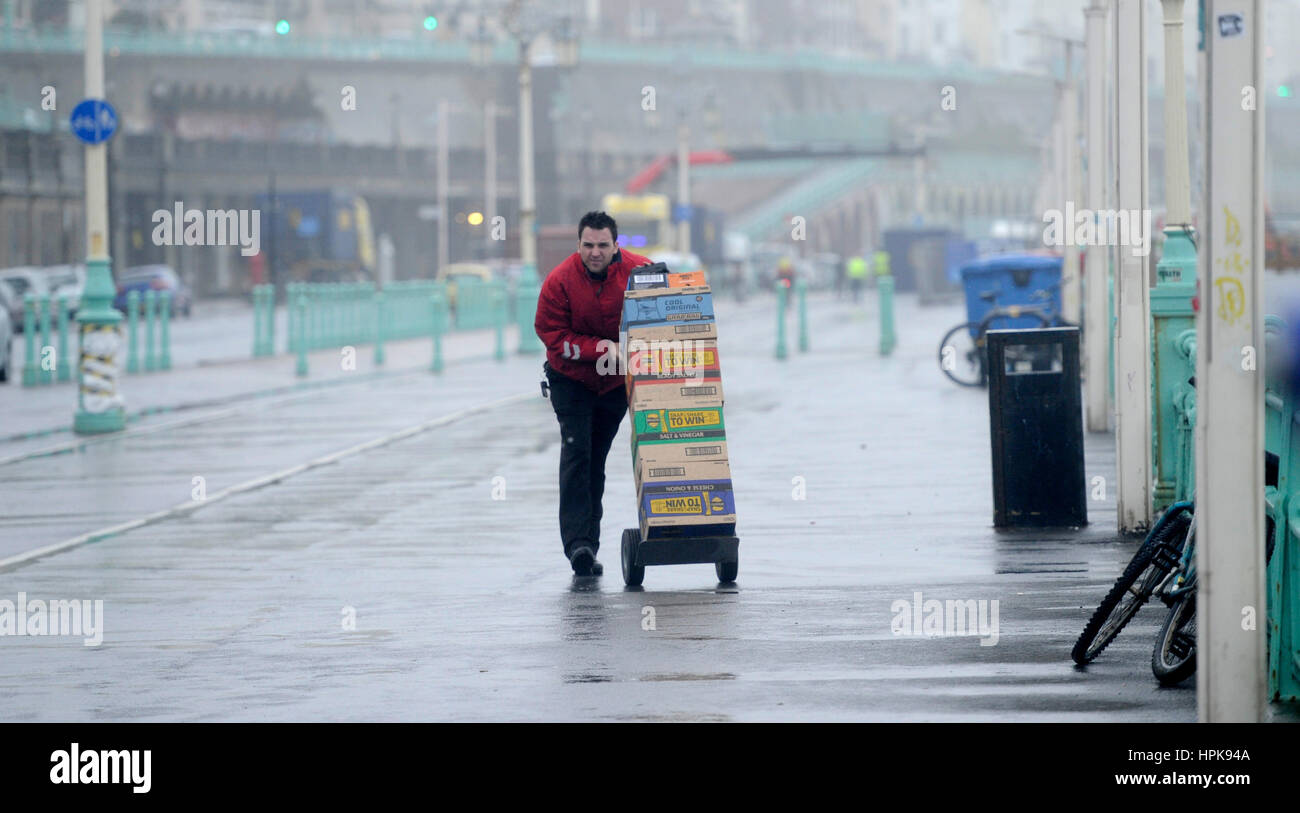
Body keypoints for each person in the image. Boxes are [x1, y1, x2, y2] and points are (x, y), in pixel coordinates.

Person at [535, 211, 652, 576]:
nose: (595, 252)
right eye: (588, 245)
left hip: (615, 384)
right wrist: (601, 349)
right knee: (577, 453)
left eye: (603, 245)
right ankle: (579, 546)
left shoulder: (639, 271)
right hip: (570, 380)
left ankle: (589, 540)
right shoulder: (559, 282)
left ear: (616, 245)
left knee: (595, 459)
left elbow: (666, 301)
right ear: (579, 245)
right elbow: (550, 333)